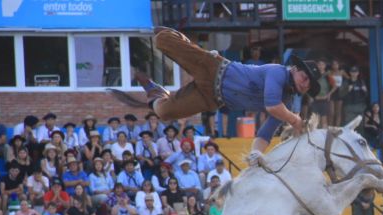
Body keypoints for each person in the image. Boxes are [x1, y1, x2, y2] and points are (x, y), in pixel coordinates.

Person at [119, 27, 321, 167]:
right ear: (294, 69)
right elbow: (272, 106)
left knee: (163, 112)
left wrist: (256, 157)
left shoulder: (284, 104)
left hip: (213, 98)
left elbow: (265, 134)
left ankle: (154, 89)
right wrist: (296, 120)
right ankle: (183, 40)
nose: (304, 84)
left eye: (308, 85)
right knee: (162, 40)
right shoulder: (278, 72)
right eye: (304, 77)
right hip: (213, 68)